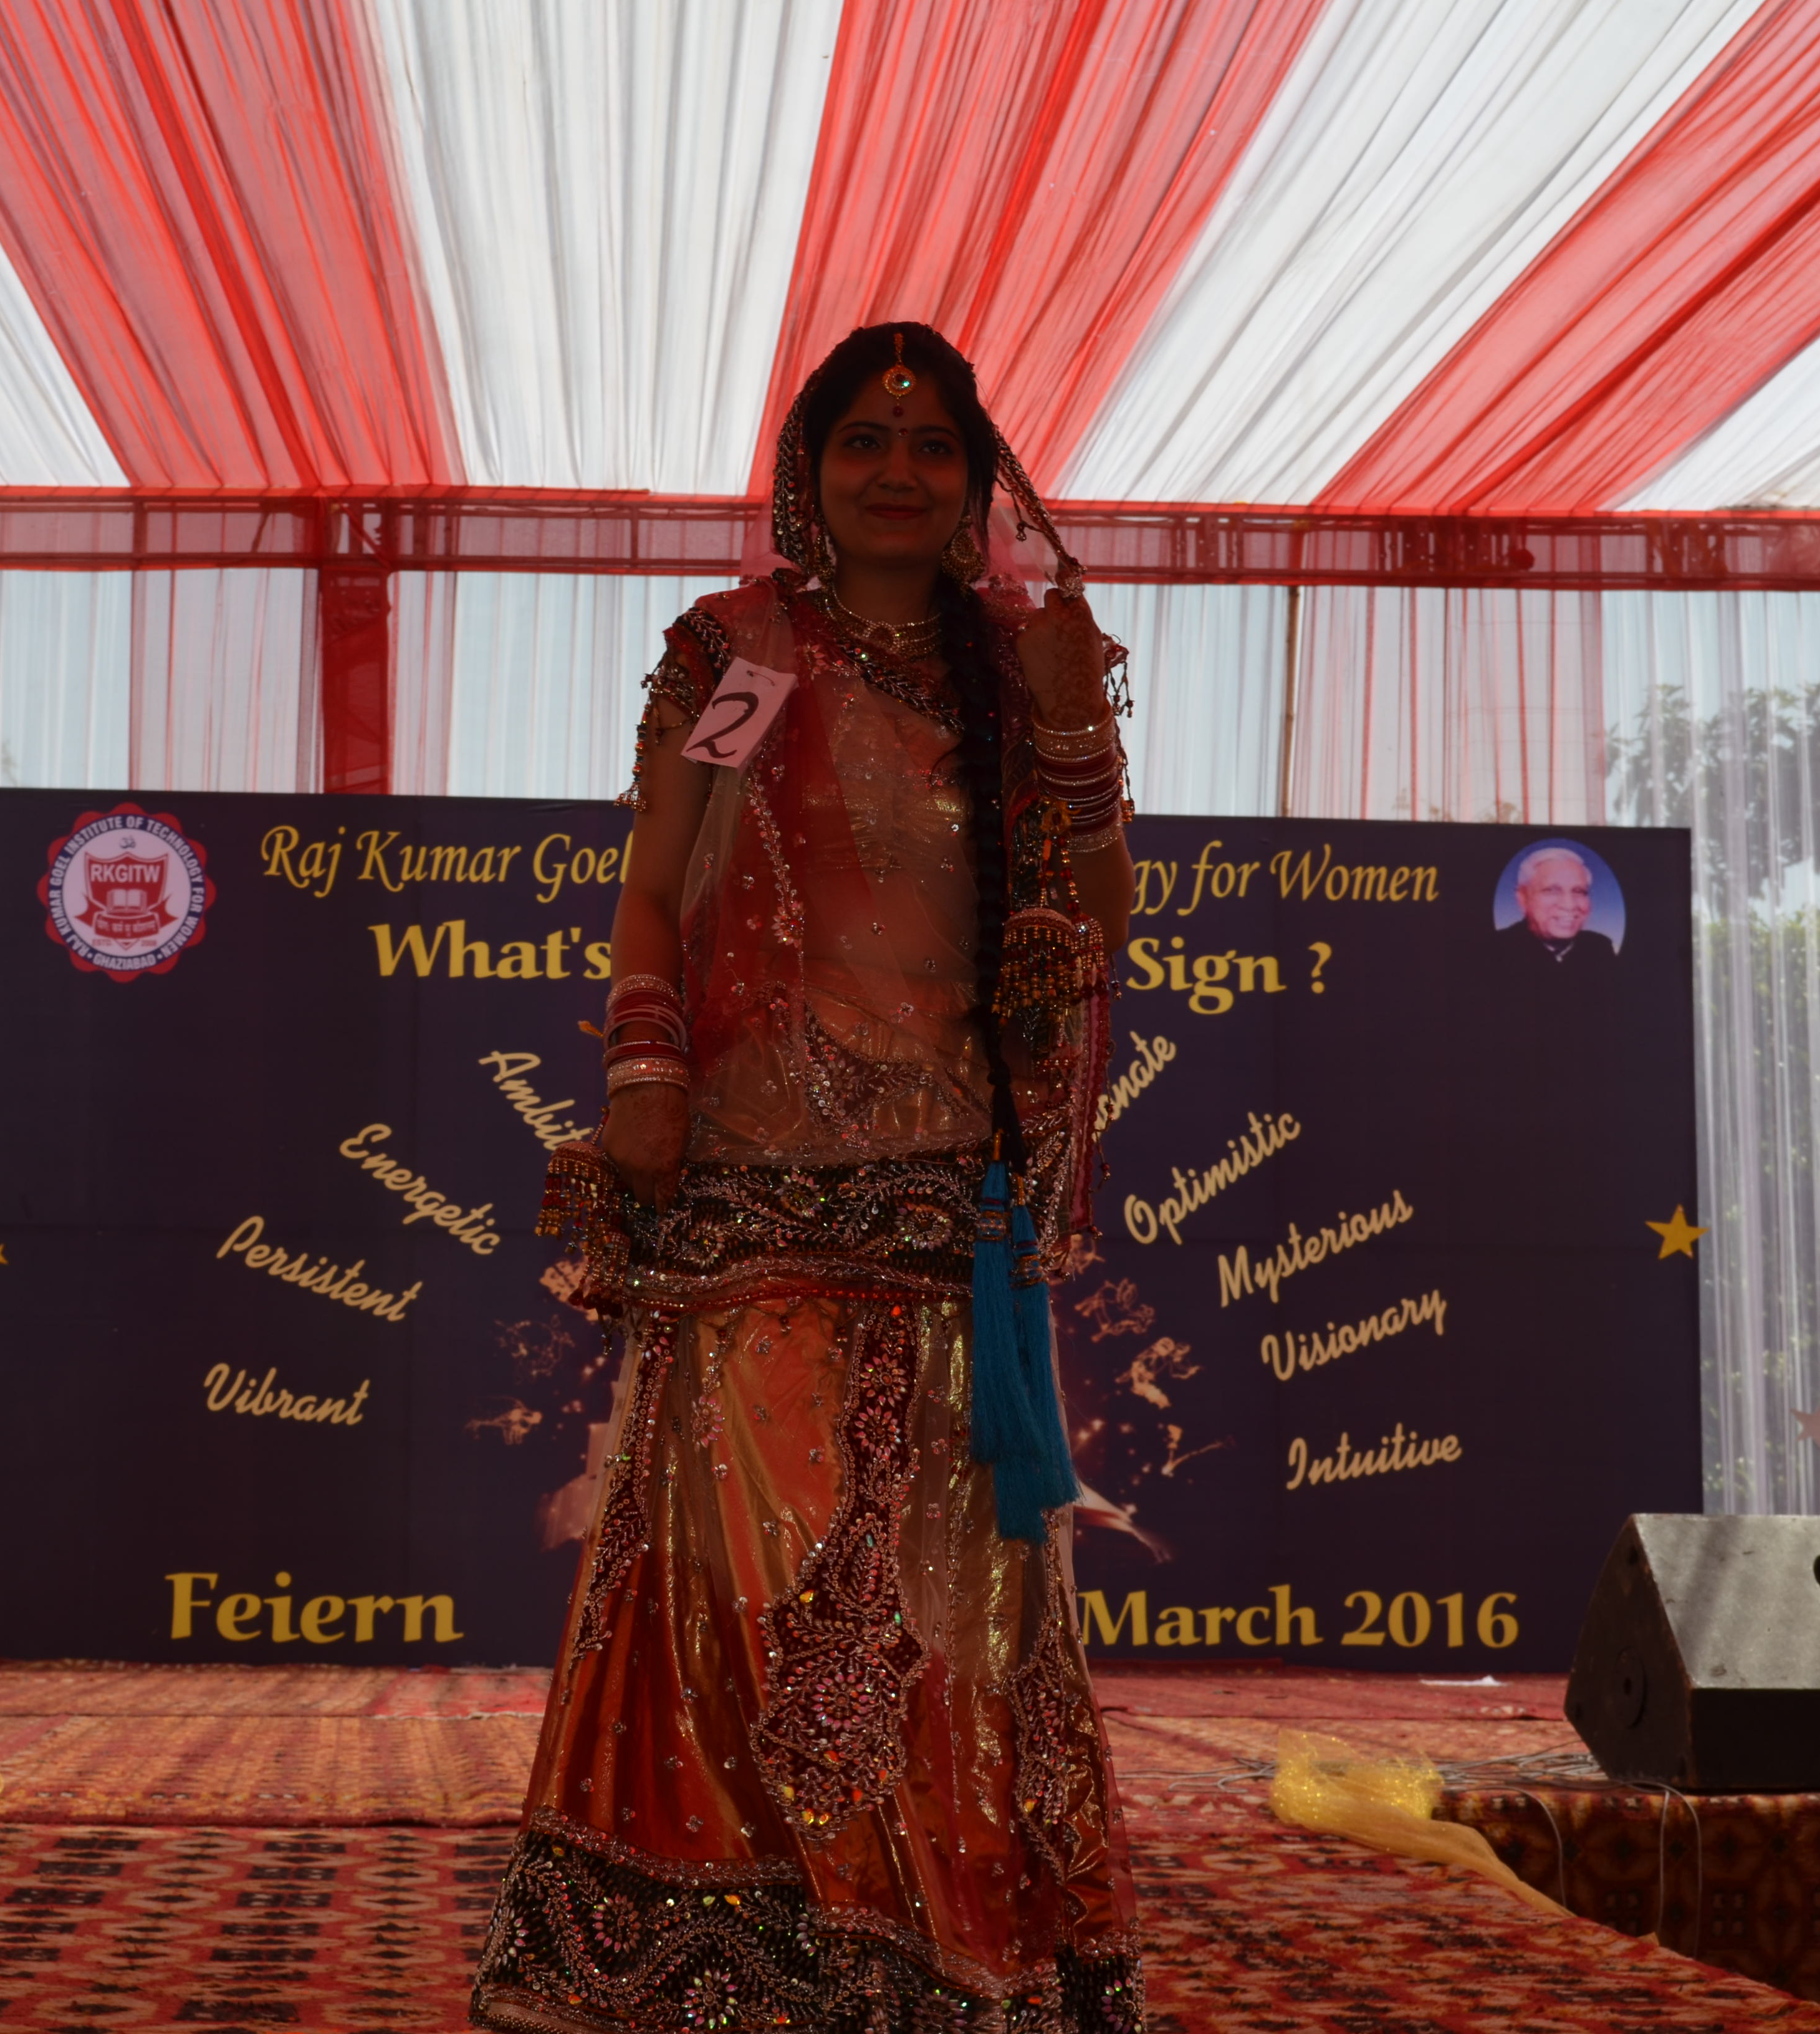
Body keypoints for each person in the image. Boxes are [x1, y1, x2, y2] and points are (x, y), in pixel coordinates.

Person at [470, 324, 1143, 2034]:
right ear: (807, 472)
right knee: (757, 1575)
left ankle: (932, 1956)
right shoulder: (742, 653)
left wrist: (1076, 727)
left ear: (975, 482)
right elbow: (657, 879)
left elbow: (1094, 919)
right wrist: (643, 1070)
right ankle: (734, 1954)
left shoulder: (1018, 671)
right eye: (864, 442)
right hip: (757, 1178)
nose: (897, 472)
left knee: (944, 1601)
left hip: (946, 1205)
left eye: (931, 447)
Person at [1491, 844, 1617, 977]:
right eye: (1551, 891)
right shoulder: (1496, 950)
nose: (1569, 905)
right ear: (1523, 898)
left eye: (1579, 891)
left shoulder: (1600, 948)